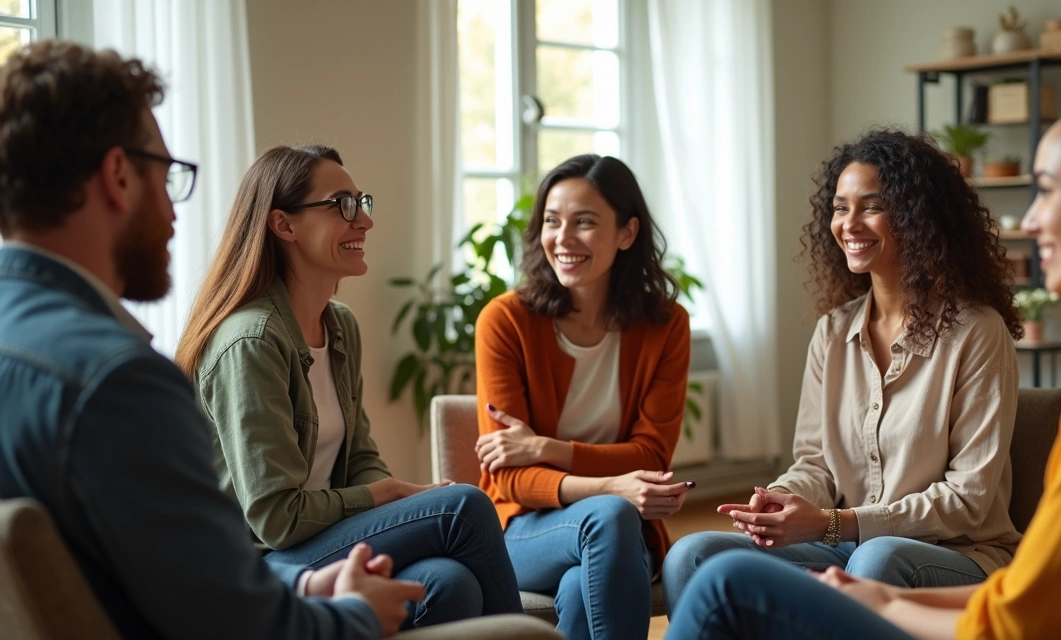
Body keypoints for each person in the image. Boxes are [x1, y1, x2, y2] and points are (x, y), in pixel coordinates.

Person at [666, 27, 1061, 640]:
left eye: (1047, 189)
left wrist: (880, 596)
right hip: (935, 581)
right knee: (702, 558)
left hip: (949, 565)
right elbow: (1045, 589)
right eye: (840, 207)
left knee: (744, 582)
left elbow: (1026, 611)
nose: (1032, 219)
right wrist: (837, 554)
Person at [0, 40, 414, 639]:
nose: (174, 214)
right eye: (167, 176)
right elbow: (240, 626)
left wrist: (303, 587)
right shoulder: (118, 383)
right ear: (119, 176)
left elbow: (159, 576)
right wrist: (357, 615)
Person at [664, 128, 1025, 609]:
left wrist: (836, 523)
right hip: (846, 543)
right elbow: (815, 463)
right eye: (839, 208)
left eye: (871, 207)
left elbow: (967, 500)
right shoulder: (833, 332)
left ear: (919, 216)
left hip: (955, 553)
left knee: (876, 557)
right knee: (692, 554)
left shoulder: (977, 331)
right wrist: (778, 499)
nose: (849, 224)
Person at [175, 143, 524, 628]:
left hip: (318, 541)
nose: (365, 221)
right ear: (284, 225)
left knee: (448, 581)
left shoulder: (339, 325)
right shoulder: (251, 341)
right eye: (343, 205)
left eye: (362, 202)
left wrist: (400, 496)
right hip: (263, 560)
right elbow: (276, 518)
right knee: (463, 506)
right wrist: (387, 494)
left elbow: (360, 458)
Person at [474, 154, 693, 640]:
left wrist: (546, 448)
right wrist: (611, 486)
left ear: (627, 233)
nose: (563, 238)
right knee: (610, 514)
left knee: (580, 586)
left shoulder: (665, 325)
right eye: (552, 221)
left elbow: (651, 457)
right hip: (524, 530)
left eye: (585, 222)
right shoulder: (506, 321)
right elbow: (509, 477)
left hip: (621, 533)